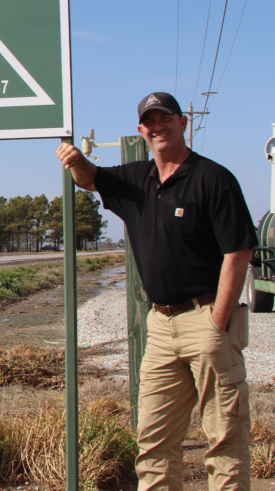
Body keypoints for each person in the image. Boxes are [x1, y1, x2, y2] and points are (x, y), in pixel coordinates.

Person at [56, 92, 256, 491]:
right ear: (141, 131)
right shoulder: (135, 180)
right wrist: (76, 161)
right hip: (161, 326)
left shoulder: (213, 178)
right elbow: (90, 179)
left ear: (184, 123)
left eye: (166, 118)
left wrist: (218, 319)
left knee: (224, 437)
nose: (158, 126)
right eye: (150, 121)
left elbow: (238, 252)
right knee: (154, 441)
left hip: (207, 320)